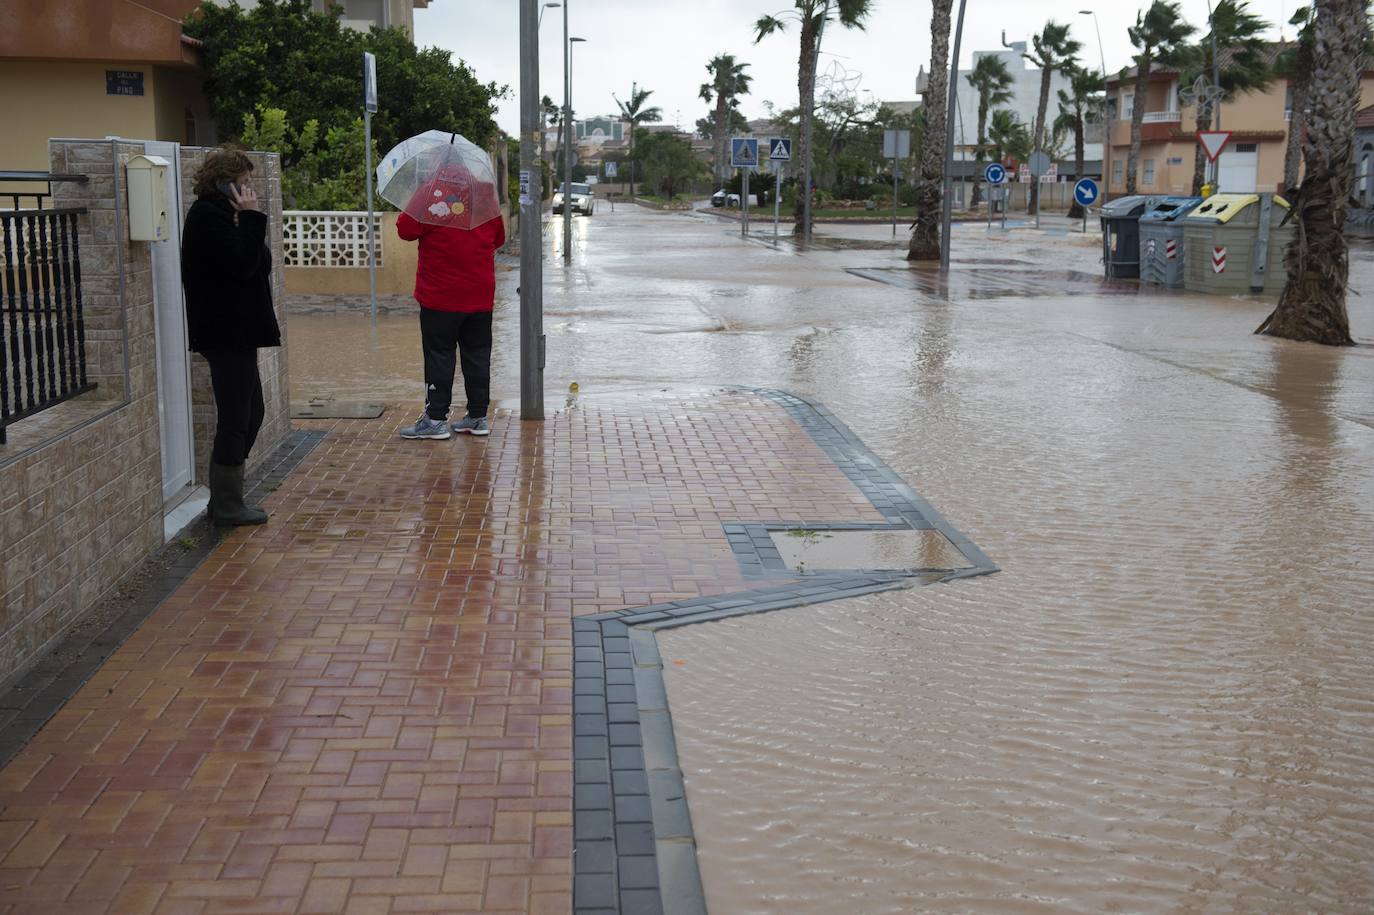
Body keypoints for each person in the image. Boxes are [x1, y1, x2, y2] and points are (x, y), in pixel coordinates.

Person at [180, 146, 280, 525]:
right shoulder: (207, 216)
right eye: (244, 183)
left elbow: (260, 263)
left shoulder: (228, 215)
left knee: (253, 411)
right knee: (237, 416)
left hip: (239, 331)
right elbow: (241, 265)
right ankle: (225, 504)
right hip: (225, 332)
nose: (250, 189)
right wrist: (251, 219)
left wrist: (248, 219)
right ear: (224, 184)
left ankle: (226, 494)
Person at [395, 182, 506, 441]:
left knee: (439, 354)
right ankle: (477, 417)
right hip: (480, 293)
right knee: (478, 354)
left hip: (440, 294)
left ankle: (435, 419)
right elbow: (498, 238)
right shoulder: (486, 194)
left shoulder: (431, 192)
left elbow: (405, 229)